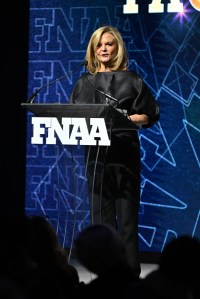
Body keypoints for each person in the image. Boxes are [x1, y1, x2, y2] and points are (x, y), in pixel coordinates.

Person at [70, 25, 160, 278]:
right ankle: (105, 275)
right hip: (95, 157)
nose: (104, 49)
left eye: (109, 44)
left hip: (124, 155)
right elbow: (72, 116)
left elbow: (150, 113)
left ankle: (130, 276)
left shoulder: (131, 80)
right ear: (93, 50)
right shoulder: (82, 82)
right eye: (99, 45)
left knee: (127, 222)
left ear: (117, 48)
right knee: (101, 222)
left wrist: (128, 120)